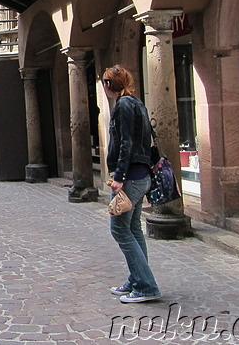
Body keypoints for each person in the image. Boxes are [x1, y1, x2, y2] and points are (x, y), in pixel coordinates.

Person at [103, 65, 161, 304]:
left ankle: (146, 285)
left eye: (105, 82)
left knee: (119, 229)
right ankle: (136, 279)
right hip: (140, 175)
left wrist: (119, 176)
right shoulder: (136, 102)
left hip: (131, 178)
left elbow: (126, 142)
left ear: (109, 85)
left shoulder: (124, 105)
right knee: (134, 229)